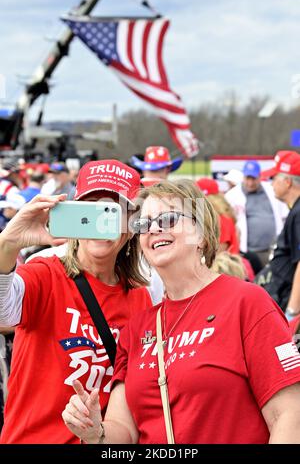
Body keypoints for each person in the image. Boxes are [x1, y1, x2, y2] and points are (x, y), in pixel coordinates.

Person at [63, 179, 300, 444]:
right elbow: (124, 431)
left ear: (200, 234)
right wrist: (96, 432)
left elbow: (289, 416)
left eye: (168, 219)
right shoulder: (138, 327)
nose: (153, 230)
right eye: (143, 224)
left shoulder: (247, 302)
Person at [0, 159, 152, 444]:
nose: (100, 222)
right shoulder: (45, 272)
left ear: (131, 224)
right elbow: (2, 313)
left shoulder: (140, 296)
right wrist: (7, 243)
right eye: (90, 209)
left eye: (112, 211)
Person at [256, 150, 300, 316]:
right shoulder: (295, 210)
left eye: (274, 178)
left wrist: (292, 311)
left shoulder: (298, 213)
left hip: (290, 300)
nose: (271, 183)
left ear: (287, 182)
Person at [225, 160, 288, 267]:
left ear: (259, 177)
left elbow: (284, 214)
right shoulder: (232, 196)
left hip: (274, 250)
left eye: (253, 178)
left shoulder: (271, 189)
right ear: (243, 177)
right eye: (247, 178)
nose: (250, 183)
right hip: (248, 252)